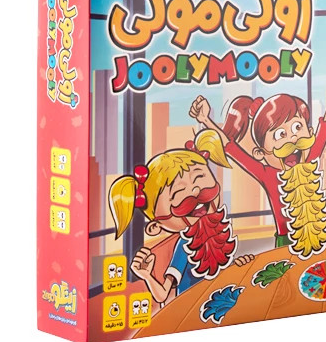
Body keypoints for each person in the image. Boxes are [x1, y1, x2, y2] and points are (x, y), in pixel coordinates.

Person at [190, 62, 326, 257]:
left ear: (309, 132)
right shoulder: (268, 174)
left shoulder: (309, 160)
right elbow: (232, 149)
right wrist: (206, 120)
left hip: (319, 238)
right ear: (261, 153)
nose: (292, 139)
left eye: (297, 127)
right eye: (280, 134)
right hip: (286, 242)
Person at [108, 129, 252, 305]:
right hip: (192, 307)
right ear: (155, 227)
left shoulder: (218, 233)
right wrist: (146, 275)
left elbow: (218, 271)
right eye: (179, 191)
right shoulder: (185, 246)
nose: (195, 190)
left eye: (199, 177)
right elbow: (162, 295)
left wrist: (236, 264)